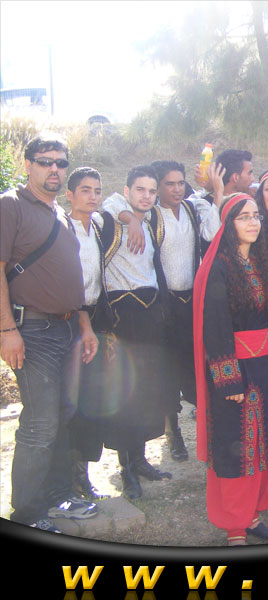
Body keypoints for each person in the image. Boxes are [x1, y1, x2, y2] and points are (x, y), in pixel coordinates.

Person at [1, 133, 100, 533]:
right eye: (45, 161)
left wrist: (84, 324)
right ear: (28, 165)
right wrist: (7, 329)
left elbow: (69, 277)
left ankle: (59, 496)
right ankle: (26, 515)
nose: (54, 169)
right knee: (40, 424)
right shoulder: (10, 205)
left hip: (66, 327)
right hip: (32, 329)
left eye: (61, 162)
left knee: (61, 416)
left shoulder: (58, 211)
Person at [193, 193, 268, 545]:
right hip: (236, 371)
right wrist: (229, 381)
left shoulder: (265, 264)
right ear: (228, 225)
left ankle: (253, 515)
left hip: (266, 367)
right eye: (244, 217)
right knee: (237, 446)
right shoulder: (219, 267)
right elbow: (215, 328)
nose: (253, 222)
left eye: (256, 216)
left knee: (265, 442)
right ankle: (234, 526)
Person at [103, 160, 222, 461]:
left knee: (194, 365)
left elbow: (212, 231)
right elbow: (112, 201)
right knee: (166, 369)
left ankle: (208, 431)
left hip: (191, 301)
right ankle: (173, 432)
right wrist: (130, 220)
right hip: (162, 304)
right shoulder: (149, 214)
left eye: (181, 183)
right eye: (169, 184)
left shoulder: (193, 208)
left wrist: (217, 192)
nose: (176, 189)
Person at [99, 165, 173, 499]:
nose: (146, 196)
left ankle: (141, 459)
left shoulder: (152, 219)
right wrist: (129, 219)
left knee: (146, 391)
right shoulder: (111, 217)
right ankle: (126, 468)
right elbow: (110, 203)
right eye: (139, 189)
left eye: (151, 191)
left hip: (149, 314)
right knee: (125, 394)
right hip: (122, 315)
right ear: (127, 190)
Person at [63, 167, 112, 500]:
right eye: (85, 190)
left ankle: (82, 474)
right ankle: (66, 477)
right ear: (70, 195)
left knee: (92, 397)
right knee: (72, 399)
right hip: (68, 320)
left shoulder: (97, 226)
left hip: (95, 317)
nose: (92, 196)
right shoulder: (62, 228)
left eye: (96, 190)